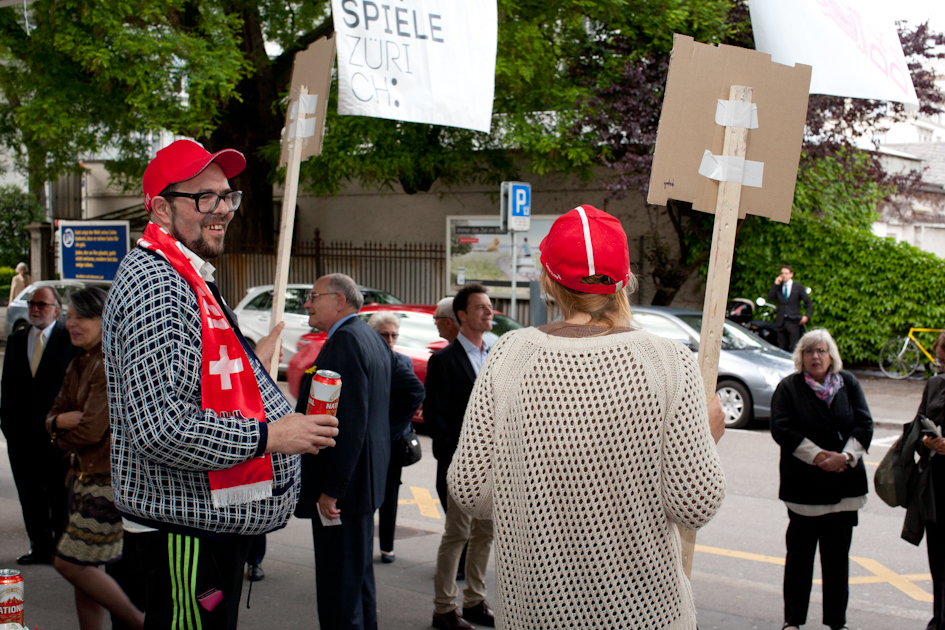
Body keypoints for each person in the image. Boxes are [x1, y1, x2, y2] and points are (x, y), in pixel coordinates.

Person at [447, 205, 727, 630]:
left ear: (547, 279)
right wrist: (703, 439)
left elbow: (470, 491)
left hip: (537, 613)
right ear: (625, 281)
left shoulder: (508, 354)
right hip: (646, 613)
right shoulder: (668, 360)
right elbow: (695, 504)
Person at [102, 139, 339, 629]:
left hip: (197, 526)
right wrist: (272, 436)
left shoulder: (181, 272)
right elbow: (161, 427)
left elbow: (190, 375)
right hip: (182, 531)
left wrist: (251, 363)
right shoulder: (157, 285)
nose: (223, 210)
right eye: (204, 197)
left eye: (228, 196)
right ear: (163, 209)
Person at [295, 273, 392, 630]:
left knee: (339, 591)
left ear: (338, 302)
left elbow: (346, 426)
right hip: (362, 486)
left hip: (342, 493)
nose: (307, 303)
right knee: (357, 582)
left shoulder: (346, 341)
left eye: (314, 296)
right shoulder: (367, 335)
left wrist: (331, 490)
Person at [44, 287, 144, 630]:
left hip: (106, 480)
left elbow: (90, 430)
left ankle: (138, 622)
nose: (71, 323)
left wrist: (59, 432)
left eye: (80, 317)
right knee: (81, 568)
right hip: (84, 476)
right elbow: (55, 413)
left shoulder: (107, 362)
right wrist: (58, 422)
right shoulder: (79, 361)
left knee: (70, 563)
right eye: (68, 316)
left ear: (104, 320)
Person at [770, 329, 873, 630]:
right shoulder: (788, 388)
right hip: (804, 493)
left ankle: (836, 623)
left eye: (822, 351)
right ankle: (793, 621)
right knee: (800, 562)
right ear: (800, 356)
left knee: (837, 563)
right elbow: (782, 429)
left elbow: (865, 425)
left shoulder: (849, 383)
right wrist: (817, 456)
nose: (816, 356)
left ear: (832, 357)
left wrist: (846, 457)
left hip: (844, 489)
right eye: (809, 351)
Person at [427, 282, 498, 630]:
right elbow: (436, 418)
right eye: (481, 307)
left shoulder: (495, 356)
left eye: (489, 306)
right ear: (462, 315)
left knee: (485, 534)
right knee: (457, 535)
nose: (489, 312)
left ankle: (474, 601)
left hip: (495, 468)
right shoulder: (444, 361)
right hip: (461, 466)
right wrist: (459, 460)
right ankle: (444, 608)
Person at [0, 285, 77, 564]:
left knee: (59, 495)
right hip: (21, 438)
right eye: (33, 303)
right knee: (30, 495)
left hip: (57, 438)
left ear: (56, 310)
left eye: (42, 304)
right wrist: (8, 428)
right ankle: (40, 547)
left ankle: (62, 549)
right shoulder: (18, 340)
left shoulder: (68, 341)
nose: (35, 308)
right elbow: (7, 388)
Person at [368, 311, 425, 564]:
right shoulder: (367, 359)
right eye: (384, 335)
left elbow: (411, 399)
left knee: (390, 492)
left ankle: (387, 546)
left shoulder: (404, 361)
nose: (390, 339)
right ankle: (365, 542)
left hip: (394, 438)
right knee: (367, 494)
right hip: (370, 438)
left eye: (394, 335)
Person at [906, 331, 945, 630]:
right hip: (935, 486)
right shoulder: (934, 384)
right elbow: (916, 429)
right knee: (938, 564)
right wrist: (926, 442)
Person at [768, 265, 813, 352]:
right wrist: (776, 284)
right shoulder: (778, 287)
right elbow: (770, 298)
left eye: (786, 273)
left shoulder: (798, 287)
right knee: (782, 346)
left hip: (793, 320)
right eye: (782, 273)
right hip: (781, 321)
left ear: (791, 274)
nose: (784, 275)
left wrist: (807, 316)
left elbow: (808, 302)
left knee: (794, 346)